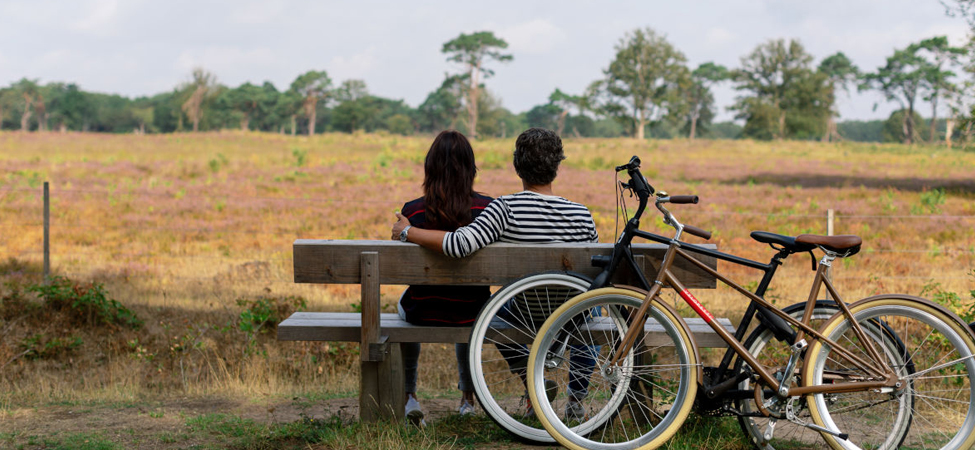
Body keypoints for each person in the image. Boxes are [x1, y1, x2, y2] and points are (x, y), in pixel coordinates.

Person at [392, 127, 598, 421]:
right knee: (595, 307)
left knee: (488, 308)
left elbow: (460, 244)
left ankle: (528, 378)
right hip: (569, 311)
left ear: (517, 166)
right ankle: (575, 401)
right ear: (557, 166)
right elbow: (591, 269)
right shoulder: (582, 213)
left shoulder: (504, 209)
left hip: (525, 309)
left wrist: (407, 231)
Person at [394, 130, 493, 427]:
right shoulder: (487, 210)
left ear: (430, 168)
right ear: (470, 168)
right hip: (473, 311)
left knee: (402, 308)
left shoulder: (412, 212)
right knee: (469, 308)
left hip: (423, 310)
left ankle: (409, 397)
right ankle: (467, 400)